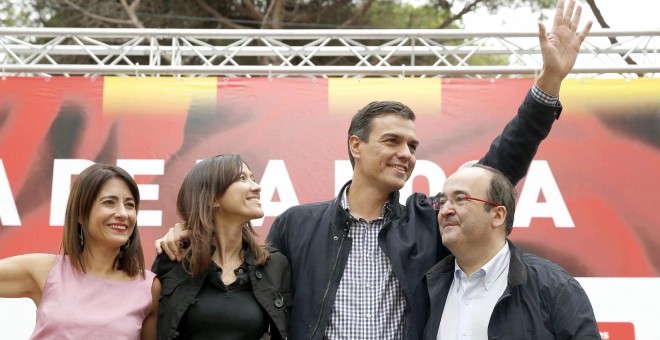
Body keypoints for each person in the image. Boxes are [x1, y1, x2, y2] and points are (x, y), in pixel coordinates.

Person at [156, 1, 592, 338]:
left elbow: (499, 167)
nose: (406, 153)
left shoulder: (429, 220)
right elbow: (243, 279)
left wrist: (548, 83)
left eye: (413, 146)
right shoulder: (296, 225)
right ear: (355, 146)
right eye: (392, 141)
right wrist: (189, 235)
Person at [424, 163, 600, 339]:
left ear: (498, 215)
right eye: (441, 202)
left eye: (461, 199)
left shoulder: (554, 286)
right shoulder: (427, 288)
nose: (445, 211)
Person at [0, 163, 159, 339]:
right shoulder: (45, 271)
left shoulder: (149, 288)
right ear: (80, 214)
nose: (123, 213)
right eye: (109, 202)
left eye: (129, 205)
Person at [151, 154, 290, 340]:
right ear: (213, 198)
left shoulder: (274, 264)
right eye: (242, 178)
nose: (257, 187)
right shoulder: (173, 258)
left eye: (253, 178)